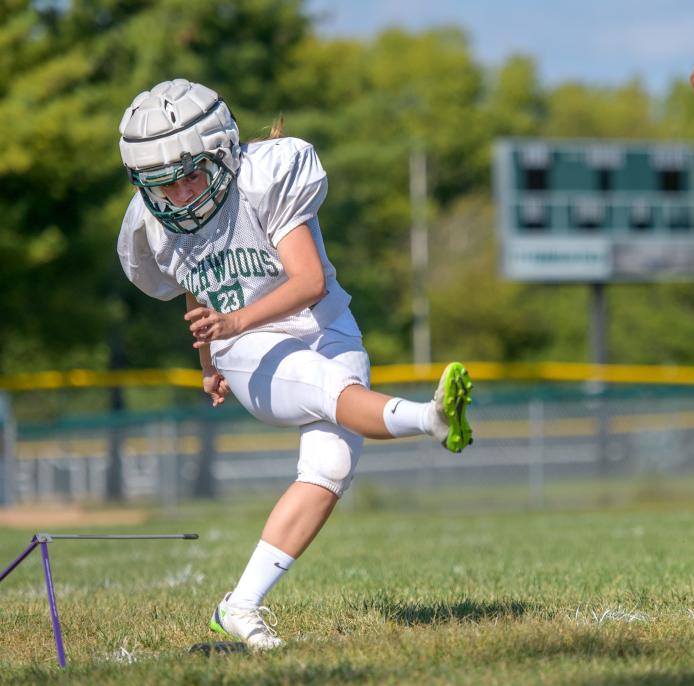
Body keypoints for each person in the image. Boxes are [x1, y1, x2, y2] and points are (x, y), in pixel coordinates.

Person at [116, 79, 473, 650]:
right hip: (247, 346)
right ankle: (430, 419)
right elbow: (199, 285)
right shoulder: (153, 224)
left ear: (224, 153)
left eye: (190, 175)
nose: (180, 196)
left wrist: (227, 326)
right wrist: (212, 357)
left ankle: (239, 605)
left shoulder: (266, 178)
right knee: (329, 387)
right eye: (164, 185)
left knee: (329, 466)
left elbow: (307, 282)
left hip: (324, 322)